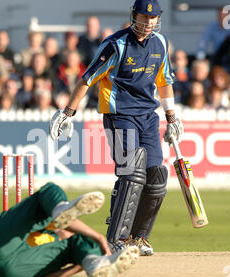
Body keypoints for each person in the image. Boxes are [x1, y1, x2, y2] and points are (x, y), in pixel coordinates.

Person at [49, 0, 183, 256]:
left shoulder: (161, 43)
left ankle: (139, 238)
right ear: (134, 16)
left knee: (156, 176)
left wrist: (172, 117)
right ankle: (116, 239)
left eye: (152, 19)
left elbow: (164, 81)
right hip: (119, 115)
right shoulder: (116, 44)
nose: (148, 23)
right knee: (131, 173)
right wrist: (68, 112)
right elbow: (88, 79)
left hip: (148, 117)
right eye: (143, 17)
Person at [0, 182, 139, 277]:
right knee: (75, 233)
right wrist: (99, 238)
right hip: (11, 274)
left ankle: (93, 262)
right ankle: (91, 261)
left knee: (48, 192)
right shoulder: (52, 230)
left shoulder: (61, 241)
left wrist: (78, 266)